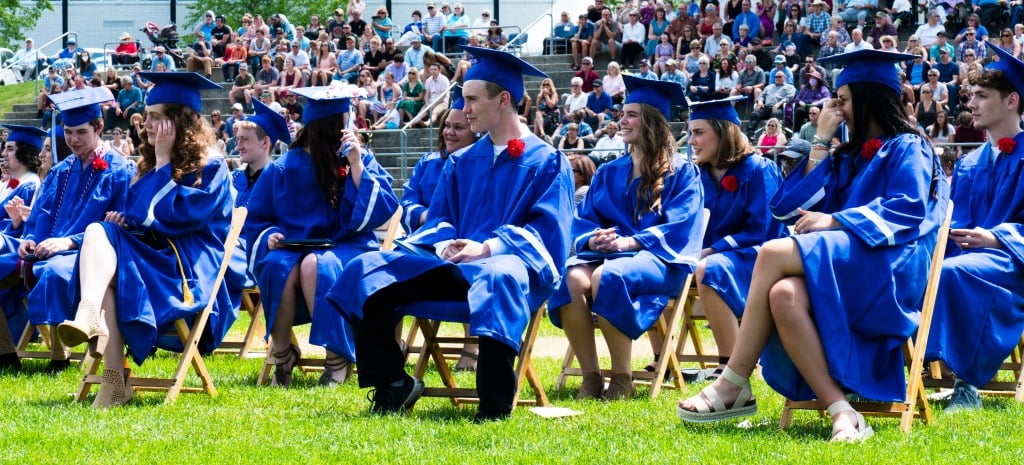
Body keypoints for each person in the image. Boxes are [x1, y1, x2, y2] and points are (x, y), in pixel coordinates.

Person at [676, 49, 949, 443]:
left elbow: (907, 210)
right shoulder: (846, 157)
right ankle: (842, 411)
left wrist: (836, 220)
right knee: (784, 294)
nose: (834, 108)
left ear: (870, 98)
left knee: (772, 252)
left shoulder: (908, 147)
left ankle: (732, 381)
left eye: (843, 100)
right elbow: (789, 211)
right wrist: (820, 140)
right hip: (846, 265)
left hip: (888, 269)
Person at [329, 46, 573, 420]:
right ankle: (392, 384)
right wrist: (445, 244)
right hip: (456, 270)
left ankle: (493, 405)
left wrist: (488, 247)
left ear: (503, 99)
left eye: (473, 100)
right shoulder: (460, 162)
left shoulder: (547, 162)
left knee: (499, 273)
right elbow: (439, 220)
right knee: (367, 268)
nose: (465, 108)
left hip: (510, 273)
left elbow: (547, 231)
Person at [54, 73, 232, 408]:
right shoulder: (152, 162)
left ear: (179, 121)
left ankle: (104, 358)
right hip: (155, 256)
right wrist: (126, 222)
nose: (144, 123)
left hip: (186, 267)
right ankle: (109, 370)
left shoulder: (212, 166)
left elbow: (180, 219)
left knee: (102, 244)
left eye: (154, 117)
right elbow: (141, 215)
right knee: (99, 233)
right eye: (147, 115)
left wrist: (164, 163)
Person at [549, 75, 703, 400]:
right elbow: (584, 220)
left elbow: (680, 225)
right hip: (610, 254)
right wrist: (594, 239)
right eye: (623, 113)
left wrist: (630, 243)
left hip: (660, 259)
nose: (623, 119)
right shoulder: (609, 172)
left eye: (632, 114)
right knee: (571, 279)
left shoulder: (682, 172)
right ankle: (591, 377)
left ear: (652, 122)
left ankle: (622, 377)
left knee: (608, 275)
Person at [245, 85, 399, 388]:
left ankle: (337, 359)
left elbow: (382, 207)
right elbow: (259, 218)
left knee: (317, 265)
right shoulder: (284, 167)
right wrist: (271, 235)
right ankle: (283, 355)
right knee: (276, 266)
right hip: (294, 249)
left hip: (348, 246)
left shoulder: (356, 157)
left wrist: (355, 164)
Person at [925, 44, 1024, 412]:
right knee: (919, 269)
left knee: (953, 273)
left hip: (1013, 263)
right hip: (969, 258)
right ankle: (896, 373)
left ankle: (966, 385)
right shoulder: (969, 163)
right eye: (972, 96)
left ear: (1011, 100)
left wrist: (998, 238)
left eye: (982, 96)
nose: (972, 104)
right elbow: (955, 220)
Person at [16, 88, 135, 372]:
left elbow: (116, 227)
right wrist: (30, 239)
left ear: (100, 127)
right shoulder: (61, 170)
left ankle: (62, 354)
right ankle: (7, 350)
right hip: (50, 249)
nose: (73, 140)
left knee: (56, 271)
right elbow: (42, 214)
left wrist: (69, 242)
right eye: (68, 132)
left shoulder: (121, 170)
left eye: (81, 132)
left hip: (90, 254)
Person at [686, 96, 789, 381]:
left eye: (698, 132)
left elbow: (764, 229)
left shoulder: (758, 169)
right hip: (711, 256)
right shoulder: (697, 175)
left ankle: (730, 366)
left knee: (711, 269)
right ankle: (663, 359)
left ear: (723, 131)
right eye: (690, 132)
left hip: (759, 255)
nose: (691, 140)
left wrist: (713, 250)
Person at [400, 89, 481, 370]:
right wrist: (426, 217)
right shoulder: (428, 162)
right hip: (426, 237)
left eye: (459, 127)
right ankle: (394, 343)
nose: (450, 132)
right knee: (397, 266)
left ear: (474, 132)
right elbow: (407, 201)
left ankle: (472, 346)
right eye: (447, 125)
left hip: (463, 241)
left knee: (470, 267)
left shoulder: (480, 166)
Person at [0, 124, 47, 370]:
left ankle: (6, 353)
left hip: (16, 251)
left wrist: (16, 222)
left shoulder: (29, 185)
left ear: (25, 152)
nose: (4, 153)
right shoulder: (9, 185)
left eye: (10, 148)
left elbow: (26, 230)